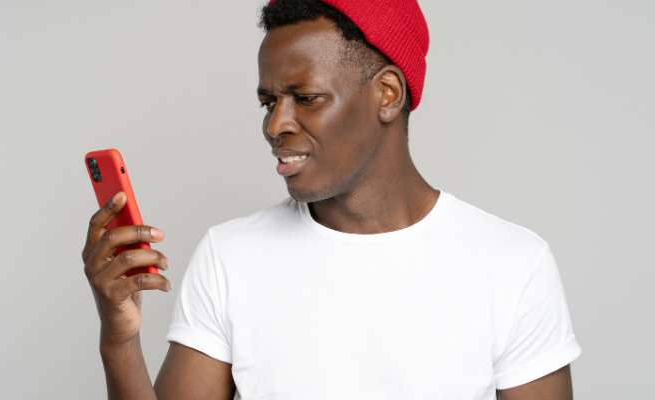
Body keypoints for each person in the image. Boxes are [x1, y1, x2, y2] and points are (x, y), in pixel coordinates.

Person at [80, 0, 582, 399]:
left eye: (305, 97)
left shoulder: (512, 263)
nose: (275, 125)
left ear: (387, 94)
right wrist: (119, 341)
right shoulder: (231, 255)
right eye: (268, 101)